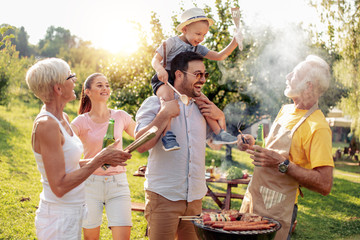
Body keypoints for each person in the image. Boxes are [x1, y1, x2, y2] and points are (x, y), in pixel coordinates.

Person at [25, 58, 132, 240]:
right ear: (58, 89)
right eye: (70, 76)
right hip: (58, 220)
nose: (75, 80)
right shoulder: (47, 125)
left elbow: (70, 165)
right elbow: (59, 186)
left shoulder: (63, 118)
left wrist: (105, 158)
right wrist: (100, 159)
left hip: (72, 213)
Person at [237, 55, 334, 240]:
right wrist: (253, 143)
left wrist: (283, 164)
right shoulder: (286, 110)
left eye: (294, 74)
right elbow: (274, 148)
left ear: (308, 85)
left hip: (278, 208)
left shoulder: (318, 127)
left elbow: (325, 184)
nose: (287, 76)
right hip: (254, 196)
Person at [135, 51, 226, 240]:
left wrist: (220, 116)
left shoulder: (203, 107)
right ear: (178, 74)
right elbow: (140, 145)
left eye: (205, 75)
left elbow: (217, 145)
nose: (202, 80)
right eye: (197, 74)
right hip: (164, 197)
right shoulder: (154, 103)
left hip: (195, 200)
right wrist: (164, 114)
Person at [151, 7, 243, 151]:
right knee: (168, 98)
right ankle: (167, 135)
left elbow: (219, 56)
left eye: (204, 35)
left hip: (185, 82)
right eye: (198, 33)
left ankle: (218, 133)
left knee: (204, 101)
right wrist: (160, 69)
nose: (200, 38)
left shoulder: (197, 47)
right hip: (166, 78)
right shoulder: (171, 43)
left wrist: (234, 42)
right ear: (185, 29)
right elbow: (155, 60)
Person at [71, 73, 135, 240]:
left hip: (118, 184)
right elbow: (67, 158)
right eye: (99, 85)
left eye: (107, 85)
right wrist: (99, 160)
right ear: (87, 92)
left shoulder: (120, 116)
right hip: (90, 185)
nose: (105, 88)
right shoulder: (80, 122)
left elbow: (143, 135)